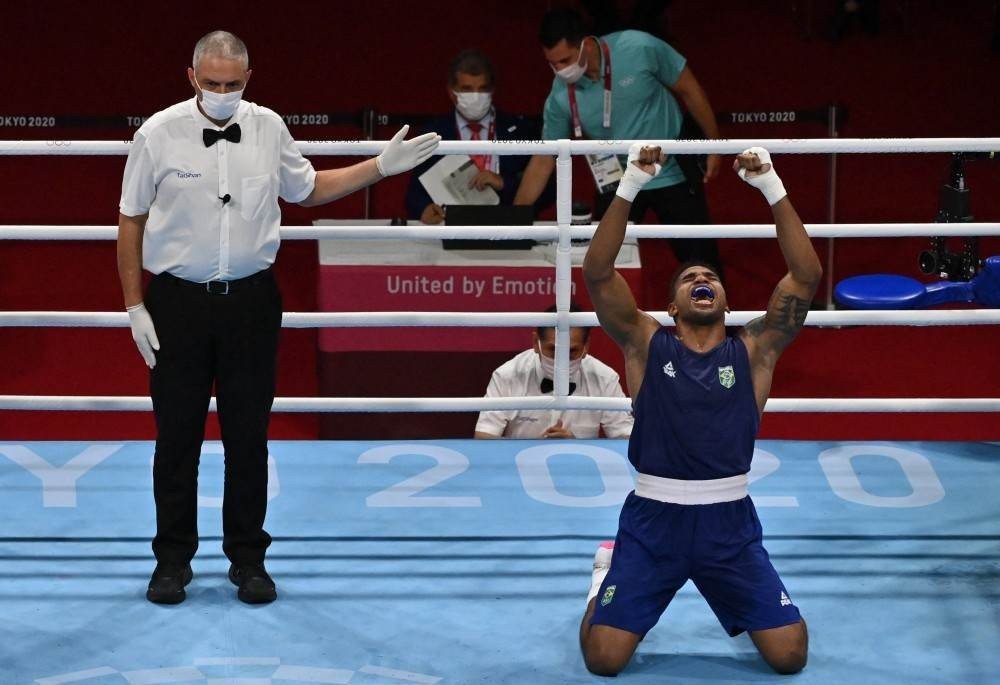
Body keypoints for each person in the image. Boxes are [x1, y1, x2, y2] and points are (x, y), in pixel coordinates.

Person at [117, 30, 439, 605]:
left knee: (248, 437)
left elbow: (308, 189)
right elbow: (131, 219)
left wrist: (380, 167)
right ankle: (171, 561)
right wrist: (135, 304)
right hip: (177, 304)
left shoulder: (269, 127)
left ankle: (248, 560)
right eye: (211, 83)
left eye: (231, 84)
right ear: (190, 77)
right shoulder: (157, 133)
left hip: (252, 303)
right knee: (177, 438)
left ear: (248, 78)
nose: (221, 93)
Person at [579, 143, 819, 675]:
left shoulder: (755, 350)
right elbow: (597, 273)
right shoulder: (644, 342)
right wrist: (630, 185)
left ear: (726, 301)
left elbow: (805, 277)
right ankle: (603, 579)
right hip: (653, 520)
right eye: (688, 279)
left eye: (709, 277)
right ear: (671, 307)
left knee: (789, 655)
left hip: (728, 524)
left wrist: (771, 185)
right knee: (603, 659)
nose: (700, 280)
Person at [513, 7, 723, 308]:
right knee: (599, 265)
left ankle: (721, 330)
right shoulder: (560, 95)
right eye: (552, 63)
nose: (560, 71)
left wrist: (713, 143)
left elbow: (688, 88)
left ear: (585, 44)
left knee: (702, 263)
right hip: (618, 182)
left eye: (565, 60)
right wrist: (515, 218)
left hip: (671, 171)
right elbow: (544, 159)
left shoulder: (639, 47)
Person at [405, 49, 541, 224]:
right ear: (452, 92)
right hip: (451, 228)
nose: (476, 96)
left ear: (492, 91)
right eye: (467, 89)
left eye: (482, 89)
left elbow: (546, 188)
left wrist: (504, 183)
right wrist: (423, 209)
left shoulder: (519, 130)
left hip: (507, 226)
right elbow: (413, 195)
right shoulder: (433, 133)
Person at [474, 304, 632, 439]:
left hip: (582, 465)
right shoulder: (507, 376)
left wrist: (579, 446)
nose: (561, 360)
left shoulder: (605, 379)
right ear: (536, 343)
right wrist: (531, 449)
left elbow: (626, 439)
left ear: (586, 347)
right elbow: (483, 437)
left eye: (571, 351)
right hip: (519, 464)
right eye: (553, 350)